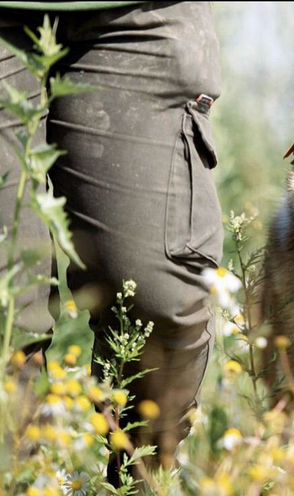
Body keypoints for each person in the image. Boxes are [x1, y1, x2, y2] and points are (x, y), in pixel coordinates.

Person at [0, 1, 224, 484]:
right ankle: (21, 481)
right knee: (3, 319)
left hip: (139, 14)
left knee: (160, 299)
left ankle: (139, 483)